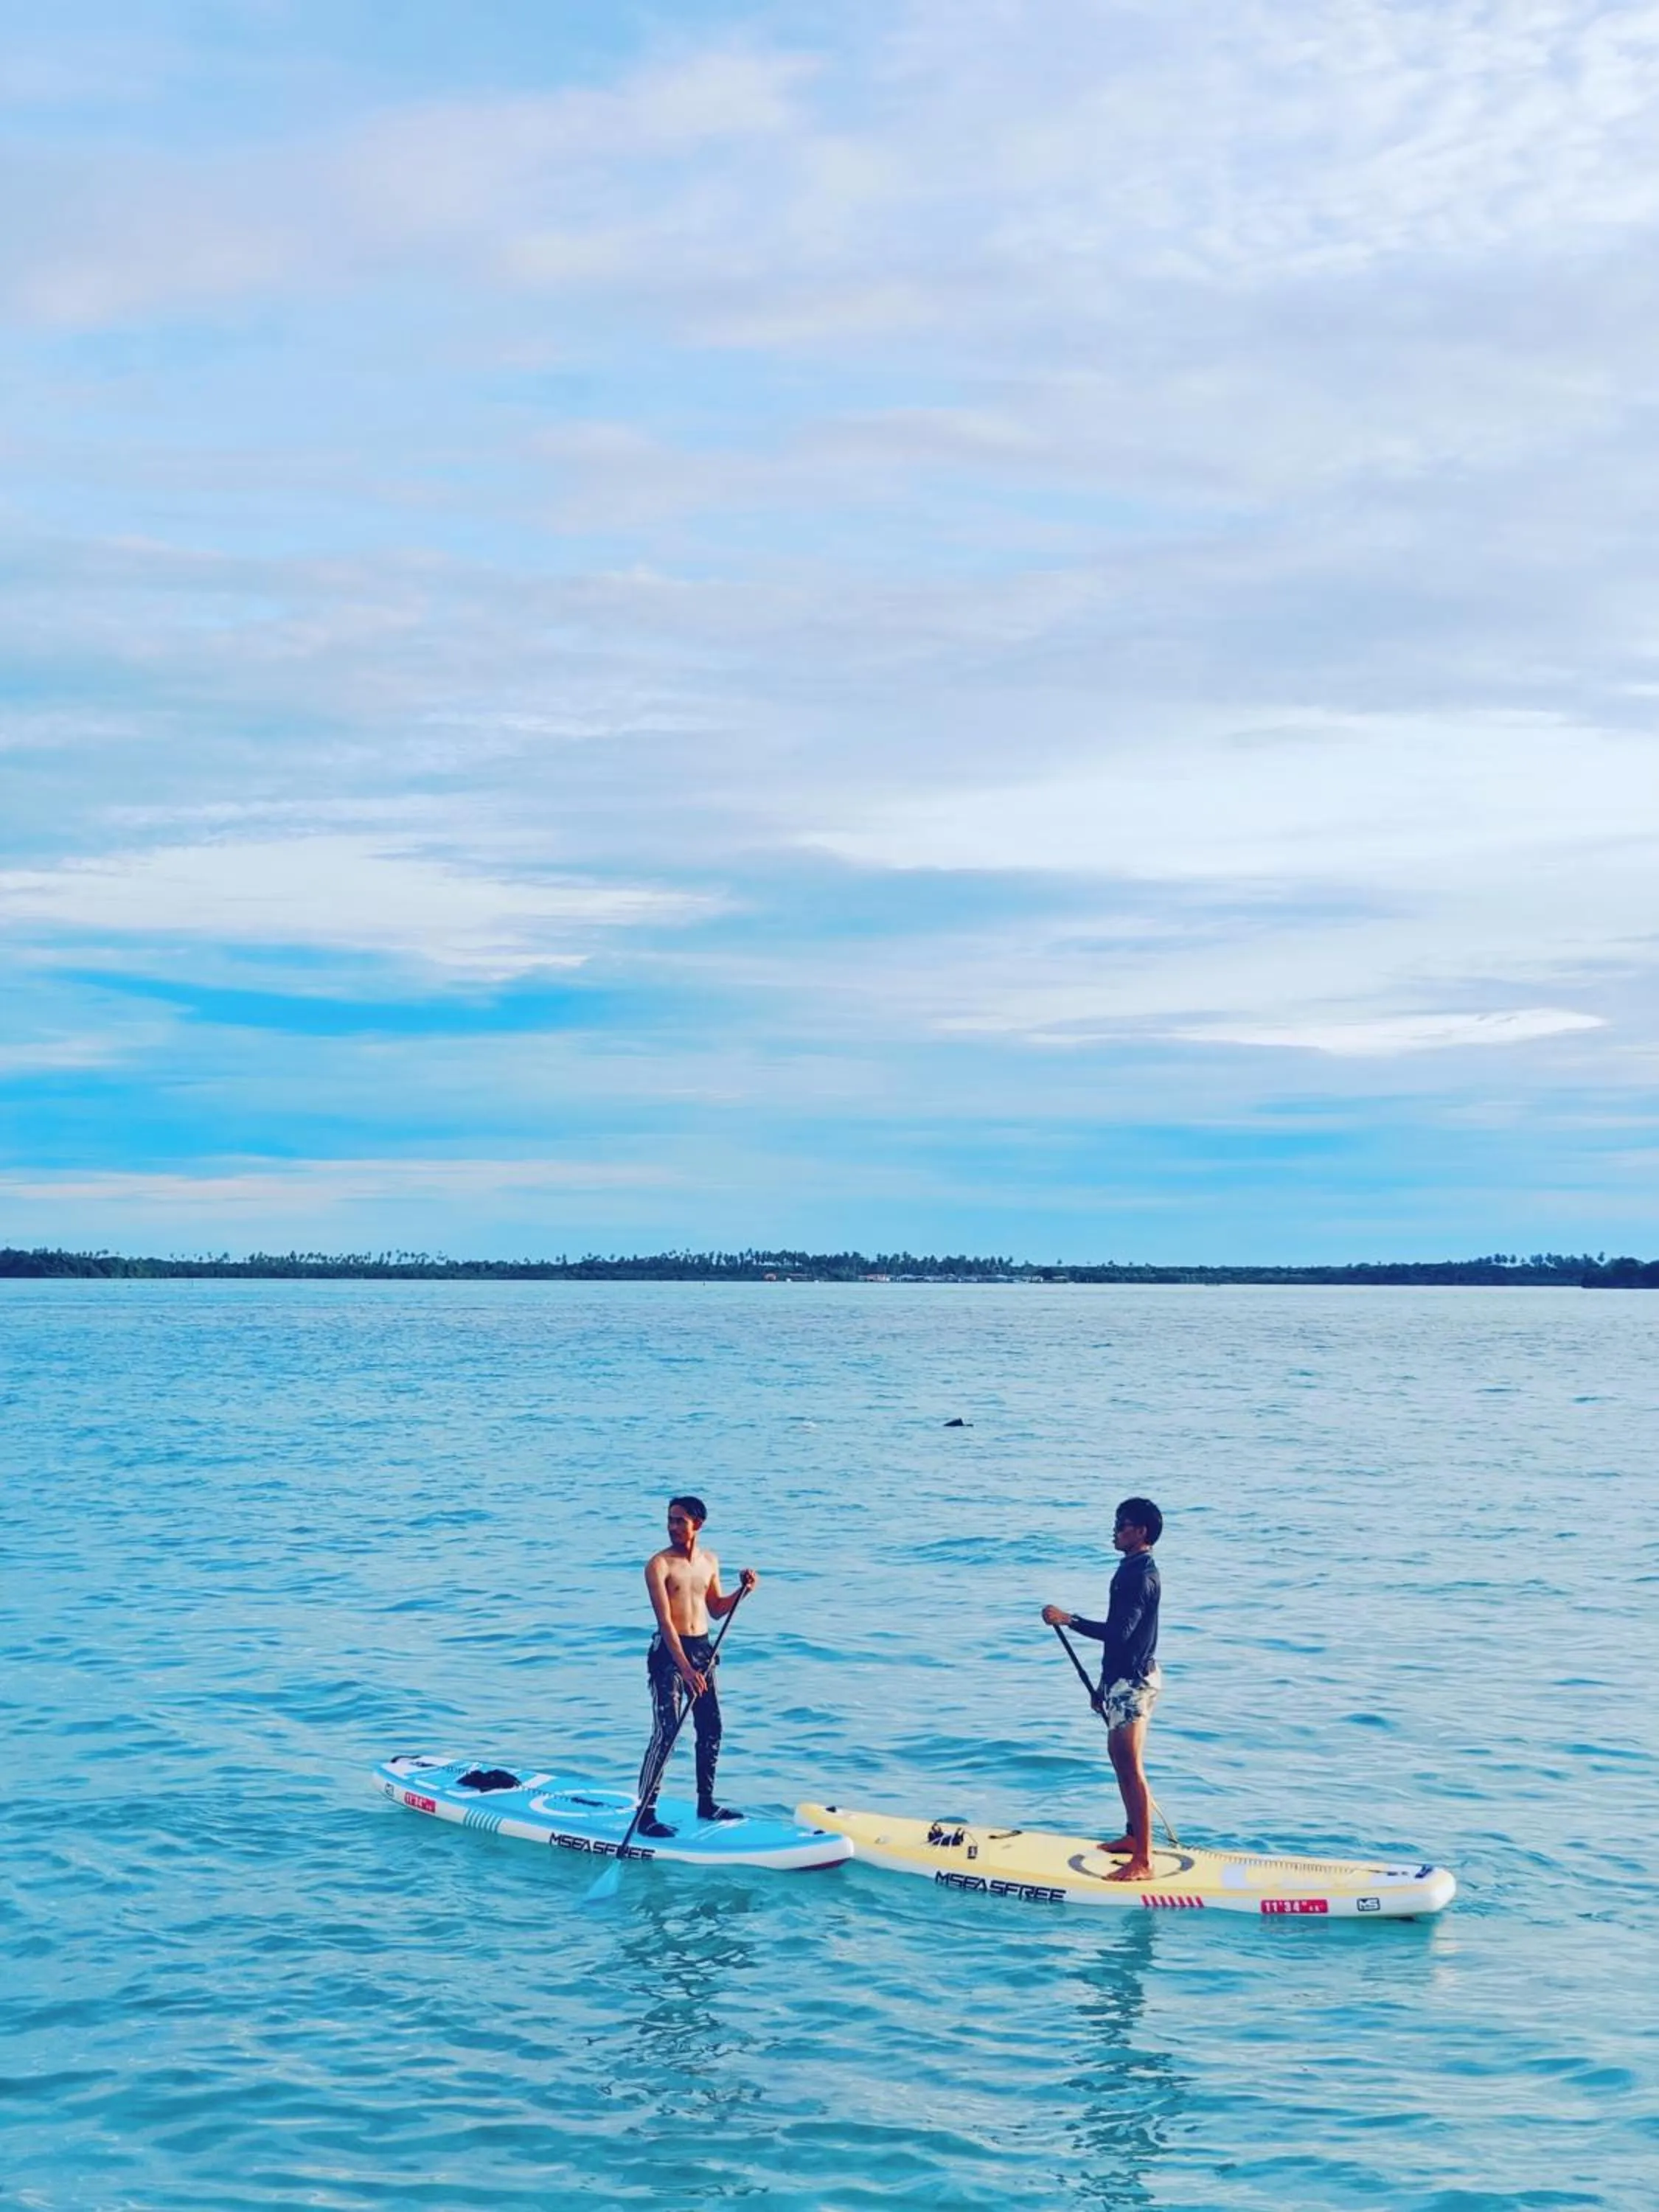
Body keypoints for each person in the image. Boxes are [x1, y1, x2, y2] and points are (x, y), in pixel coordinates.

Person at [1042, 1496, 1164, 1882]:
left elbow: (1118, 1634)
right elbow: (1120, 1643)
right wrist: (1102, 1687)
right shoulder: (1130, 1568)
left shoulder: (1139, 1575)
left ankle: (1143, 1860)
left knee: (1130, 1768)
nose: (1115, 1528)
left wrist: (1068, 1619)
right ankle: (1132, 1838)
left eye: (1122, 1523)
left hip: (1134, 1682)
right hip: (1121, 1680)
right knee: (1118, 1760)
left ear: (1141, 1532)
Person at [636, 1495, 759, 1837]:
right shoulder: (658, 1565)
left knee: (711, 1728)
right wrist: (685, 1670)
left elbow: (717, 1609)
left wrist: (744, 1590)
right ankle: (645, 1813)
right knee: (667, 1732)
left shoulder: (709, 1561)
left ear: (697, 1524)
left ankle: (706, 1804)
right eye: (670, 1520)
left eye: (680, 1521)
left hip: (703, 1650)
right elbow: (665, 1623)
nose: (673, 1527)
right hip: (669, 1656)